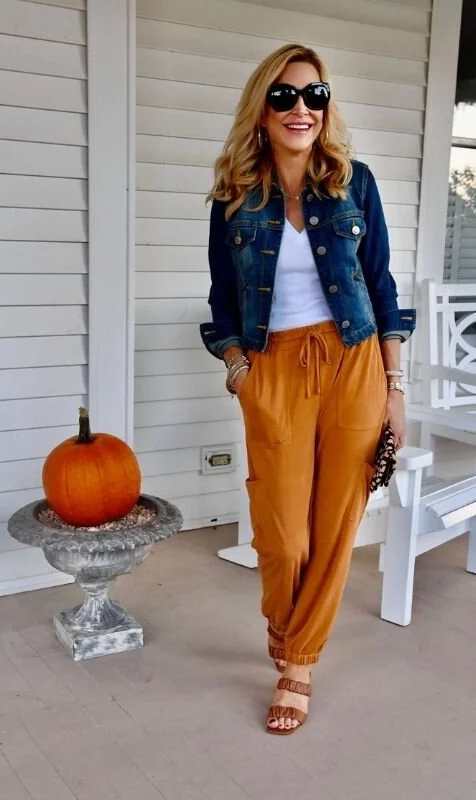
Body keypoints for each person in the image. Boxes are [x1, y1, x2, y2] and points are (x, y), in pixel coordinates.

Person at [200, 43, 416, 736]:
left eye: (315, 96)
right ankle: (286, 625)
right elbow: (223, 299)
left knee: (335, 527)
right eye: (286, 97)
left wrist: (395, 385)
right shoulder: (235, 194)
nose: (302, 110)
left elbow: (380, 286)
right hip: (274, 370)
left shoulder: (356, 182)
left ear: (327, 107)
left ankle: (299, 664)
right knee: (284, 534)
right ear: (262, 110)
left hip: (353, 362)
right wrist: (239, 370)